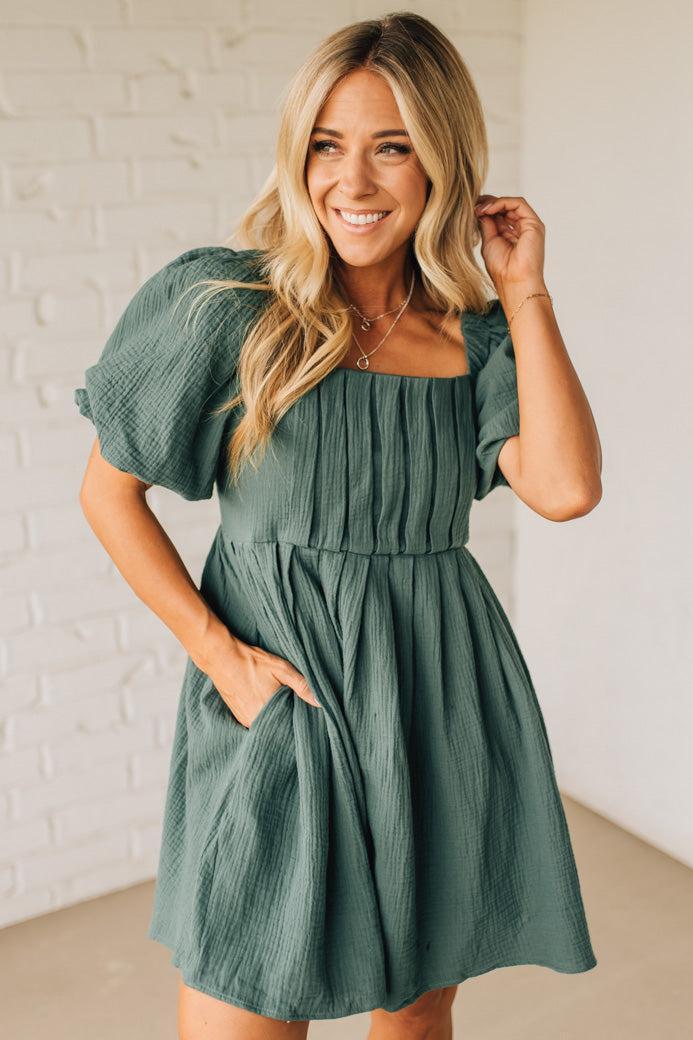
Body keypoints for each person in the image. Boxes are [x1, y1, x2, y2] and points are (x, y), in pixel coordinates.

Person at [75, 12, 601, 1040]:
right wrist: (219, 655)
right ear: (297, 150)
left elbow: (566, 485)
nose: (352, 182)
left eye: (392, 145)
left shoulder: (473, 335)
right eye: (328, 143)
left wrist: (524, 288)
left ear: (443, 159)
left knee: (414, 1010)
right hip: (281, 692)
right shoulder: (223, 305)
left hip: (437, 697)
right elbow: (108, 492)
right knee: (245, 987)